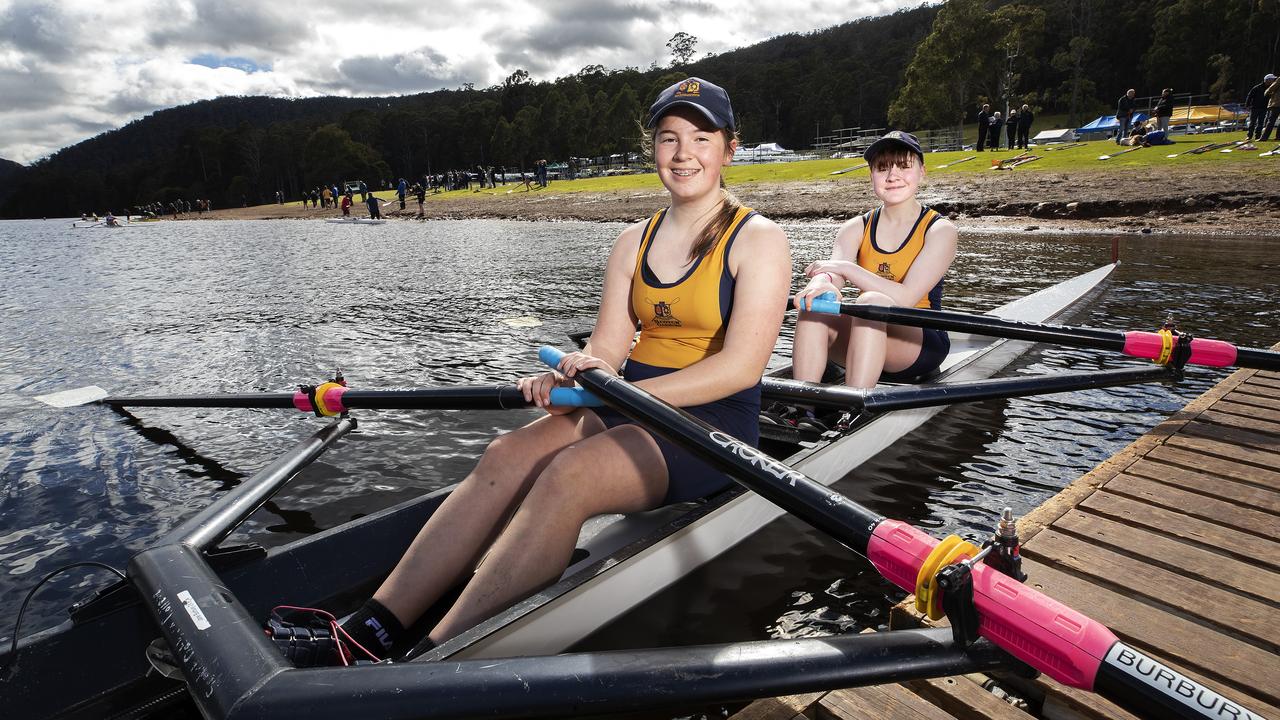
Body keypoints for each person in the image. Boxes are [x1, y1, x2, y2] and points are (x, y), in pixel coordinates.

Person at [301, 77, 790, 663]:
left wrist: (613, 395)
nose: (683, 154)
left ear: (729, 148)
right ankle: (369, 630)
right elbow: (609, 343)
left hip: (711, 424)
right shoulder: (634, 240)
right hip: (629, 403)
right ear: (652, 149)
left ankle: (436, 657)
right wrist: (575, 380)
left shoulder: (758, 239)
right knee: (506, 453)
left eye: (701, 137)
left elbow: (741, 368)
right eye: (668, 138)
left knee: (569, 475)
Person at [763, 131, 956, 432]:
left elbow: (905, 298)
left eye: (903, 166)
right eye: (883, 168)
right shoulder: (855, 227)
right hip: (871, 330)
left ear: (922, 171)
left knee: (870, 302)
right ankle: (801, 409)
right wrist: (822, 283)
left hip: (919, 343)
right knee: (816, 306)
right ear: (872, 175)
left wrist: (846, 269)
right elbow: (834, 275)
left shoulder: (939, 231)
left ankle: (853, 412)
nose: (893, 175)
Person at [1245, 74, 1276, 141]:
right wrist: (1247, 105)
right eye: (1272, 79)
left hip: (1264, 108)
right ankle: (1249, 136)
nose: (1273, 81)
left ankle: (1257, 136)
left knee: (1260, 123)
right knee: (1252, 123)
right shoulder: (1257, 88)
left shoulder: (1271, 89)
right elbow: (1249, 96)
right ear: (1267, 80)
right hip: (1255, 108)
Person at [1261, 75, 1280, 142]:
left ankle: (1264, 137)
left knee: (1271, 121)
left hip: (1277, 103)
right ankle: (1278, 137)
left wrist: (1266, 92)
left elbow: (1272, 87)